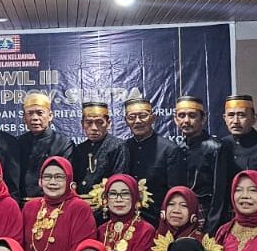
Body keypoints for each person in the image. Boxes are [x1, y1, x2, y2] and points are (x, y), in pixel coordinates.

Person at [24, 157, 98, 251]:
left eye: (59, 177)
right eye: (47, 177)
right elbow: (19, 244)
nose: (53, 182)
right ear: (40, 181)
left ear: (69, 181)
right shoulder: (30, 207)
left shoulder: (79, 208)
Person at [166, 96, 233, 227]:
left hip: (206, 215)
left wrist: (212, 226)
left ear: (203, 119)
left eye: (192, 116)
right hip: (179, 214)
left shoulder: (216, 147)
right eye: (181, 116)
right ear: (175, 119)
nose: (186, 120)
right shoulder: (176, 148)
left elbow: (220, 194)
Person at [96, 174, 156, 251]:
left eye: (125, 194)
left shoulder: (146, 230)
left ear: (135, 198)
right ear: (106, 199)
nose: (119, 199)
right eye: (113, 194)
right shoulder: (101, 230)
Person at [122, 94, 175, 223]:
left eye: (143, 115)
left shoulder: (170, 149)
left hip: (158, 219)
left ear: (153, 118)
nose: (137, 121)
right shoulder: (123, 148)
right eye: (132, 117)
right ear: (126, 121)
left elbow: (174, 191)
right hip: (126, 218)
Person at [15, 91, 75, 201]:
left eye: (40, 113)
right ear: (24, 118)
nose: (35, 118)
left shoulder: (63, 143)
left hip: (52, 201)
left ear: (50, 116)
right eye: (30, 113)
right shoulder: (17, 143)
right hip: (22, 202)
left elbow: (64, 177)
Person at [68, 100, 126, 201]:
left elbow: (119, 180)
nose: (94, 128)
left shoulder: (118, 146)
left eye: (99, 122)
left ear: (108, 123)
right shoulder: (79, 149)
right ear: (82, 124)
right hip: (80, 202)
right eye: (89, 122)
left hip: (105, 203)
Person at [220, 94, 257, 175]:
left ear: (254, 118)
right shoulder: (221, 145)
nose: (235, 121)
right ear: (225, 118)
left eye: (241, 115)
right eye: (231, 115)